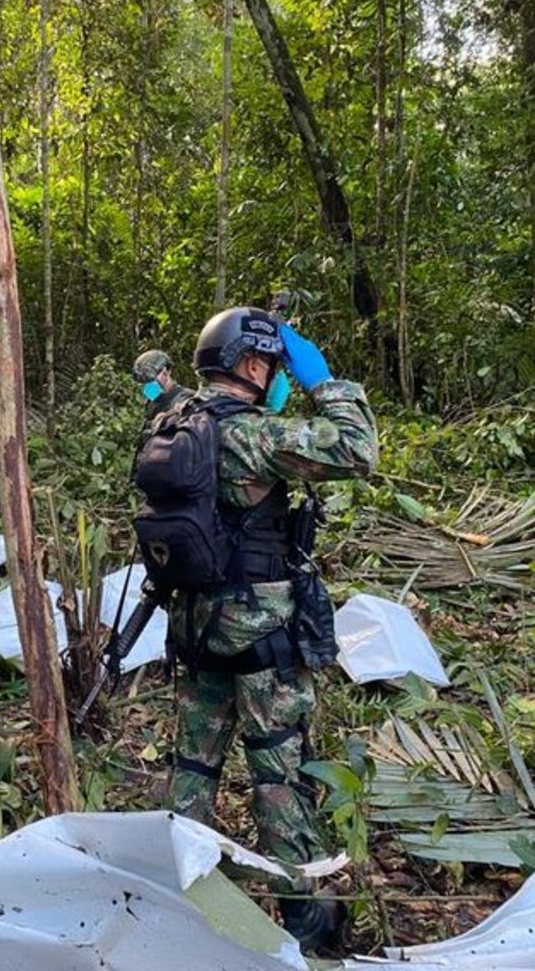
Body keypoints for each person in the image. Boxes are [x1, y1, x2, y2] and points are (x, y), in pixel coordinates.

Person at [165, 307, 377, 953]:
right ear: (252, 365)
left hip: (197, 627)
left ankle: (174, 893)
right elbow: (357, 448)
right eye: (271, 364)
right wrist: (322, 380)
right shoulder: (255, 435)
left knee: (193, 767)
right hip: (262, 635)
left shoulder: (174, 422)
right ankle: (306, 920)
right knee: (280, 774)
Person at [131, 349, 192, 420]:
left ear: (165, 372)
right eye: (143, 383)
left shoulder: (185, 399)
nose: (147, 386)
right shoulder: (153, 402)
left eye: (151, 380)